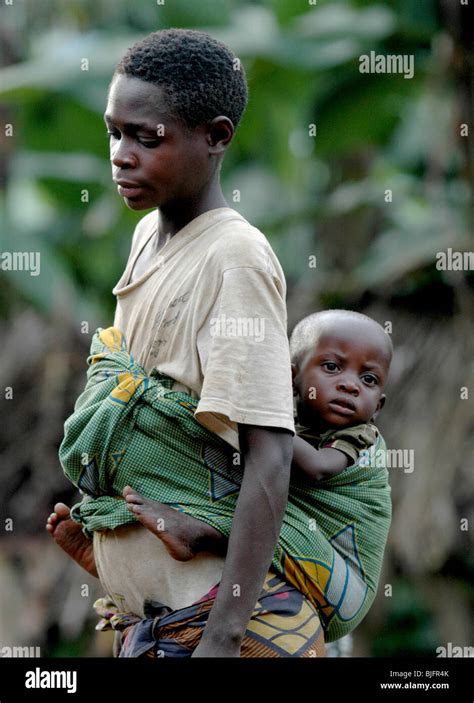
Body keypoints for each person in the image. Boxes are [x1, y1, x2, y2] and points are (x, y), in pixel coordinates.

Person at [47, 27, 326, 658]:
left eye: (148, 137)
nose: (121, 154)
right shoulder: (148, 233)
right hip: (149, 628)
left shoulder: (235, 258)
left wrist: (224, 638)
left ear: (217, 136)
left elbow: (270, 456)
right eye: (114, 132)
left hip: (209, 628)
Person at [51, 308, 392, 646]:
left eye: (369, 379)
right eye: (332, 367)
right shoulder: (287, 414)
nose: (350, 385)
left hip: (342, 585)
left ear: (378, 406)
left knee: (262, 506)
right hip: (305, 555)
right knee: (233, 484)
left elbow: (317, 468)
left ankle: (201, 535)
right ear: (290, 378)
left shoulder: (360, 437)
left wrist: (253, 418)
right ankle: (113, 560)